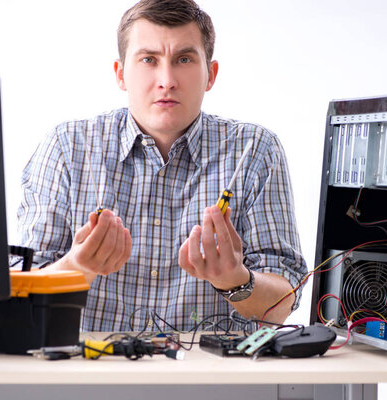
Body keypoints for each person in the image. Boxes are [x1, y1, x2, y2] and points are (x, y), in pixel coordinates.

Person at [18, 0, 307, 332]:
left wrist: (234, 280)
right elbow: (23, 293)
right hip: (87, 376)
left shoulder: (255, 150)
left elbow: (281, 306)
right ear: (121, 74)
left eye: (184, 59)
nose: (167, 80)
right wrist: (76, 267)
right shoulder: (66, 147)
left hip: (211, 380)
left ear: (210, 75)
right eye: (148, 60)